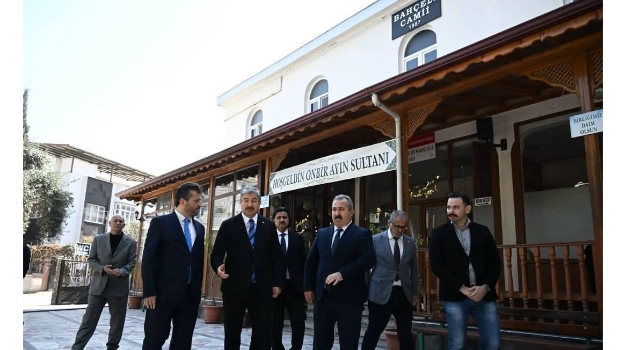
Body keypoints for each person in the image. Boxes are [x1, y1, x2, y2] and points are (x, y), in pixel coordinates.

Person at [211, 186, 285, 350]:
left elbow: (277, 257)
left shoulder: (268, 226)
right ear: (240, 203)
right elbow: (216, 254)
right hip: (234, 288)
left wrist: (277, 283)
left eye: (253, 200)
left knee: (262, 333)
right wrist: (218, 268)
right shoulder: (228, 225)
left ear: (259, 203)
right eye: (246, 200)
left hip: (262, 289)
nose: (249, 204)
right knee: (232, 332)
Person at [429, 192, 501, 350]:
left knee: (493, 343)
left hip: (484, 296)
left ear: (467, 209)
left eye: (456, 207)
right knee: (457, 343)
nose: (450, 211)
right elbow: (437, 266)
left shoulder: (482, 231)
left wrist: (485, 287)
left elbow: (495, 263)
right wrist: (462, 288)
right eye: (448, 207)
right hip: (455, 297)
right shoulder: (439, 234)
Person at [303, 194, 375, 350]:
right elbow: (311, 262)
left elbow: (368, 260)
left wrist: (343, 273)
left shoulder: (362, 234)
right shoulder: (322, 233)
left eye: (341, 209)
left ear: (351, 212)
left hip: (349, 299)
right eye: (334, 209)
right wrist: (308, 287)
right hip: (323, 298)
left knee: (349, 343)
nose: (337, 213)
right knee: (321, 342)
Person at [141, 182, 205, 350]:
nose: (200, 204)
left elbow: (197, 260)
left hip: (189, 297)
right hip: (162, 296)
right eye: (196, 201)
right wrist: (149, 291)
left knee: (183, 342)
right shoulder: (160, 223)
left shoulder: (200, 228)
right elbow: (148, 258)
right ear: (183, 201)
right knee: (154, 340)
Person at [71, 215, 137, 350]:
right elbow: (91, 260)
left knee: (117, 322)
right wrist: (102, 268)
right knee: (89, 320)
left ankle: (112, 347)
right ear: (109, 223)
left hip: (119, 287)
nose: (118, 223)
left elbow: (132, 261)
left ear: (124, 225)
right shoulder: (98, 240)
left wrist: (123, 271)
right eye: (115, 221)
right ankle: (77, 347)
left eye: (121, 221)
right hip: (98, 287)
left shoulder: (131, 242)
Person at [361, 210, 419, 350]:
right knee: (373, 331)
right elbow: (367, 267)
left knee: (405, 333)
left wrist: (415, 293)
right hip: (380, 293)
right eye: (397, 226)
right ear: (389, 223)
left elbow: (414, 269)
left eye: (403, 227)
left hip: (403, 293)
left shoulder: (410, 242)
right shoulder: (375, 240)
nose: (399, 230)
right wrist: (365, 291)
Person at [270, 207, 307, 350]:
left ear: (289, 220)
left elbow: (304, 262)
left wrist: (305, 285)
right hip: (275, 288)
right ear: (274, 220)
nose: (282, 220)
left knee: (298, 321)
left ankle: (296, 347)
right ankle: (277, 347)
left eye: (285, 217)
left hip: (295, 288)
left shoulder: (297, 238)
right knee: (275, 321)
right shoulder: (269, 238)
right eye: (279, 217)